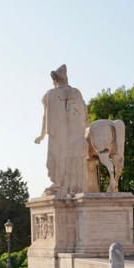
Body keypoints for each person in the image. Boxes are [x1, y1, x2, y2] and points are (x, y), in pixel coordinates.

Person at [34, 64, 89, 195]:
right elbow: (85, 114)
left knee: (56, 160)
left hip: (58, 135)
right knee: (74, 160)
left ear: (55, 80)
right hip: (75, 134)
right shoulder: (76, 92)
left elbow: (45, 117)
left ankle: (60, 184)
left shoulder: (50, 95)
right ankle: (71, 185)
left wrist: (42, 135)